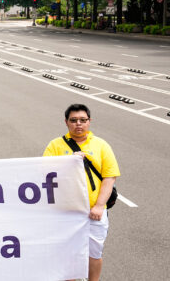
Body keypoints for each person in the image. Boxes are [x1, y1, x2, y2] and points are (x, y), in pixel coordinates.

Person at [43, 104, 120, 281]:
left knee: (94, 253)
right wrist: (67, 162)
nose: (78, 124)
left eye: (83, 120)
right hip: (66, 211)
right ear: (66, 122)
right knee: (68, 252)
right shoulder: (55, 145)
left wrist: (100, 206)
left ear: (89, 122)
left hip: (94, 212)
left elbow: (110, 178)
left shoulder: (101, 145)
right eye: (74, 120)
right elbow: (45, 174)